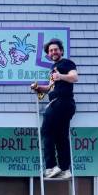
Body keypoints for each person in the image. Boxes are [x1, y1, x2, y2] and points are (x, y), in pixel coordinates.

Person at [31, 38, 78, 179]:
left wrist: (60, 76)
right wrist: (38, 88)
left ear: (61, 51)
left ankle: (51, 167)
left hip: (61, 103)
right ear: (48, 54)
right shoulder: (53, 69)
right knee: (61, 137)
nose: (53, 52)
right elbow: (50, 88)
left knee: (46, 131)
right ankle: (65, 169)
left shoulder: (67, 63)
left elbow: (74, 77)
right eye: (50, 51)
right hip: (63, 104)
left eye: (55, 49)